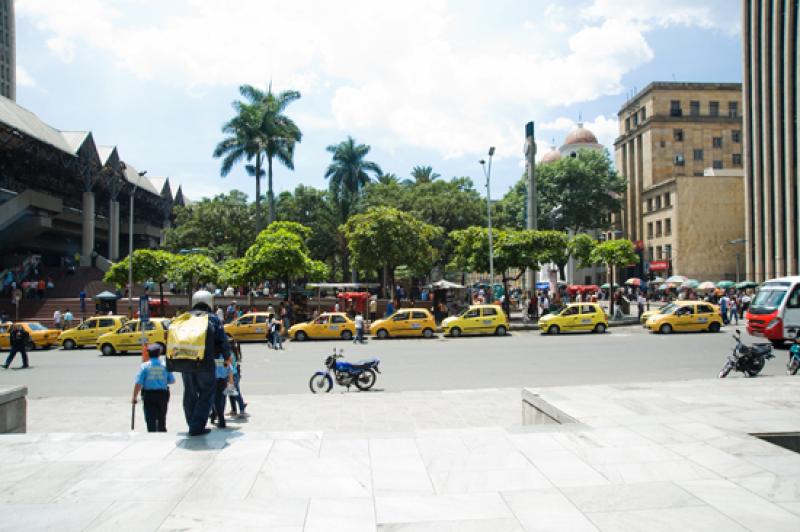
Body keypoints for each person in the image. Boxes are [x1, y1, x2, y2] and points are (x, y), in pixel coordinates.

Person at [178, 290, 233, 436]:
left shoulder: (184, 318)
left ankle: (192, 423)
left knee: (189, 394)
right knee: (207, 393)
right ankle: (197, 426)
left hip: (186, 362)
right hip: (205, 363)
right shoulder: (213, 319)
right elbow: (223, 341)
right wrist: (227, 357)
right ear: (209, 302)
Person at [131, 344, 175, 432]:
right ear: (159, 354)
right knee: (161, 417)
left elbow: (138, 383)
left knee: (150, 419)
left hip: (149, 395)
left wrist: (134, 397)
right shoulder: (164, 366)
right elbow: (172, 380)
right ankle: (161, 433)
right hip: (162, 395)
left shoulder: (144, 366)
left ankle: (152, 437)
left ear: (148, 354)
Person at [228, 339, 247, 417]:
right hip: (232, 375)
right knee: (231, 393)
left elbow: (225, 363)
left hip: (233, 375)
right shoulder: (233, 352)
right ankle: (234, 410)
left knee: (235, 393)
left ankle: (242, 409)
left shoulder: (230, 354)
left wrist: (215, 361)